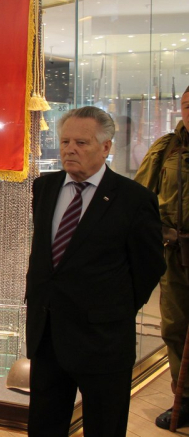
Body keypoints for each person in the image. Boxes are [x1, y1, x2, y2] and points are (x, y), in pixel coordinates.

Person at [26, 106, 163, 437]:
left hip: (102, 341)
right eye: (65, 142)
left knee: (104, 427)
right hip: (47, 335)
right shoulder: (44, 188)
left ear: (106, 147)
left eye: (81, 143)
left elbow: (149, 267)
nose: (70, 149)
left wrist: (112, 310)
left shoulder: (133, 199)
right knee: (44, 426)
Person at [134, 87, 189, 429]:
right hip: (177, 255)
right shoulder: (166, 148)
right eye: (187, 105)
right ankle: (185, 398)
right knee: (175, 327)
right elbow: (139, 200)